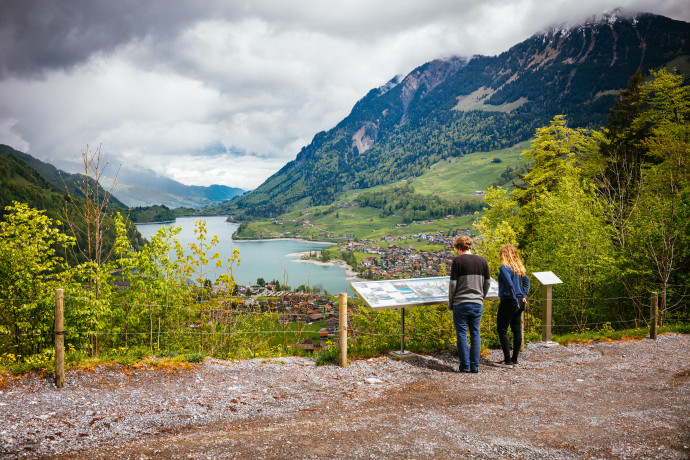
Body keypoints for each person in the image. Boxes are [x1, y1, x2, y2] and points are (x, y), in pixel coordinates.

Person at [448, 235, 491, 373]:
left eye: (457, 249)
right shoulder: (483, 261)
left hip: (461, 302)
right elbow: (488, 283)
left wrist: (451, 302)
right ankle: (474, 366)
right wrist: (481, 297)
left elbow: (453, 284)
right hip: (477, 303)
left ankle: (465, 366)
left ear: (459, 248)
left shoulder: (457, 261)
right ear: (469, 246)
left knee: (461, 333)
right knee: (475, 333)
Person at [494, 244, 530, 369]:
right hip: (520, 301)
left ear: (504, 255)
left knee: (502, 329)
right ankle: (514, 359)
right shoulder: (518, 268)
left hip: (509, 300)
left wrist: (514, 298)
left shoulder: (504, 268)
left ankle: (507, 360)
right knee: (516, 330)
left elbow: (509, 285)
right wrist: (523, 295)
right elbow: (527, 282)